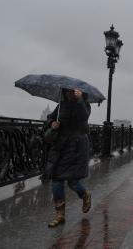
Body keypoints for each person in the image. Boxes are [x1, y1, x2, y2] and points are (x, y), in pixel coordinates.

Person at [45, 88, 92, 227]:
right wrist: (51, 124)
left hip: (77, 148)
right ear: (64, 93)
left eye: (73, 92)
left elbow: (84, 116)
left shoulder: (84, 104)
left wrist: (80, 100)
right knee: (57, 179)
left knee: (73, 181)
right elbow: (50, 118)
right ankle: (60, 215)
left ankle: (85, 195)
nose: (70, 94)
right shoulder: (61, 106)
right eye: (68, 92)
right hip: (61, 146)